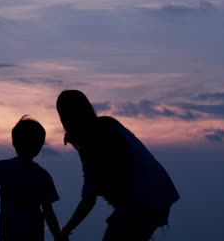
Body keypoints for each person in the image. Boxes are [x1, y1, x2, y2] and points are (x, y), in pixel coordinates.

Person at [56, 90, 180, 241]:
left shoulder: (92, 140)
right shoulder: (107, 124)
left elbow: (89, 199)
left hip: (141, 201)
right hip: (158, 194)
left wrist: (66, 230)